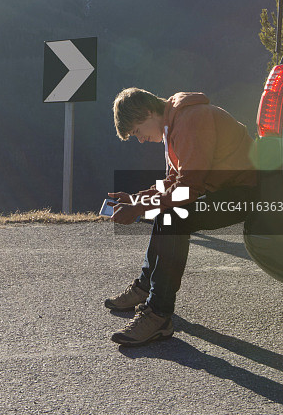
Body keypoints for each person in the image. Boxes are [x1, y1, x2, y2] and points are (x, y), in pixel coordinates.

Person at [105, 87, 257, 347]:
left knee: (174, 216)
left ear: (149, 112)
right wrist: (137, 199)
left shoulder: (190, 120)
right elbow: (173, 181)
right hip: (226, 188)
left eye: (137, 132)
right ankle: (145, 288)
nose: (140, 140)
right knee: (168, 211)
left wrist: (141, 208)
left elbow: (189, 186)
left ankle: (159, 315)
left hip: (245, 192)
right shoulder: (174, 123)